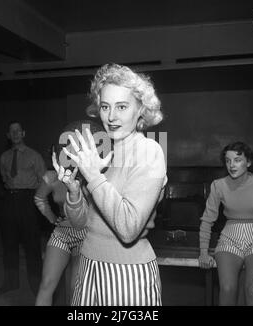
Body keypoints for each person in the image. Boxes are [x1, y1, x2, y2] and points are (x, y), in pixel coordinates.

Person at [53, 63, 167, 306]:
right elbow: (81, 222)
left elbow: (129, 228)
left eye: (122, 107)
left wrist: (93, 176)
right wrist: (74, 191)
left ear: (141, 110)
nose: (111, 116)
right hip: (87, 264)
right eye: (105, 106)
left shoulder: (149, 151)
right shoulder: (103, 150)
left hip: (128, 273)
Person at [35, 119, 105, 306]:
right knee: (46, 284)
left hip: (86, 234)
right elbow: (39, 198)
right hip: (62, 233)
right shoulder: (51, 177)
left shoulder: (92, 175)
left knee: (77, 288)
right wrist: (52, 218)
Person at [199, 141, 253, 306]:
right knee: (227, 289)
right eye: (228, 161)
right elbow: (207, 220)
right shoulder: (218, 185)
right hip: (229, 240)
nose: (232, 165)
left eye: (237, 160)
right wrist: (204, 253)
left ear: (248, 162)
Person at [0, 121, 46, 296]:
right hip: (10, 200)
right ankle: (11, 282)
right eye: (12, 131)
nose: (15, 134)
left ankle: (36, 284)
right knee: (8, 244)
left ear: (23, 134)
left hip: (28, 201)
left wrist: (37, 203)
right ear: (8, 136)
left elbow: (44, 182)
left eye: (18, 131)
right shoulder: (4, 157)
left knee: (32, 246)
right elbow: (4, 178)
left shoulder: (35, 156)